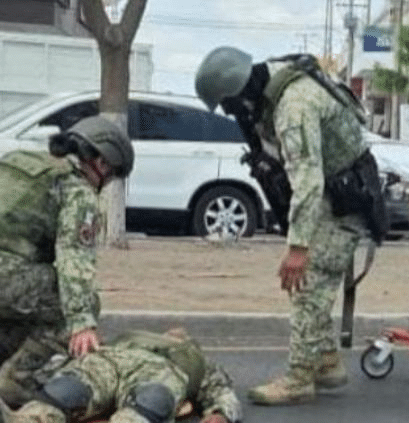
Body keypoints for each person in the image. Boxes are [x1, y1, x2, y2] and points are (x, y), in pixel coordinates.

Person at [194, 47, 385, 405]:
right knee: (309, 282)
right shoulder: (276, 81)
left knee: (307, 279)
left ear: (238, 91)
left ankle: (299, 377)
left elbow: (309, 180)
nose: (232, 114)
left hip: (344, 202)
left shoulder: (293, 107)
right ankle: (326, 362)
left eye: (228, 105)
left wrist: (298, 247)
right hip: (336, 195)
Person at [0, 116, 134, 408]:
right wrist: (81, 322)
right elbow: (74, 258)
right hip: (5, 277)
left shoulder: (18, 161)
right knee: (70, 301)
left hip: (9, 278)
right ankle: (15, 381)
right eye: (110, 176)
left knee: (26, 304)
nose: (106, 182)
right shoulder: (75, 188)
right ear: (101, 162)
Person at [0, 327, 242, 423]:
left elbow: (223, 392)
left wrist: (221, 415)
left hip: (160, 370)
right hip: (110, 358)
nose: (175, 331)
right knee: (67, 391)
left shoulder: (193, 359)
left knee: (151, 401)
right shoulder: (130, 338)